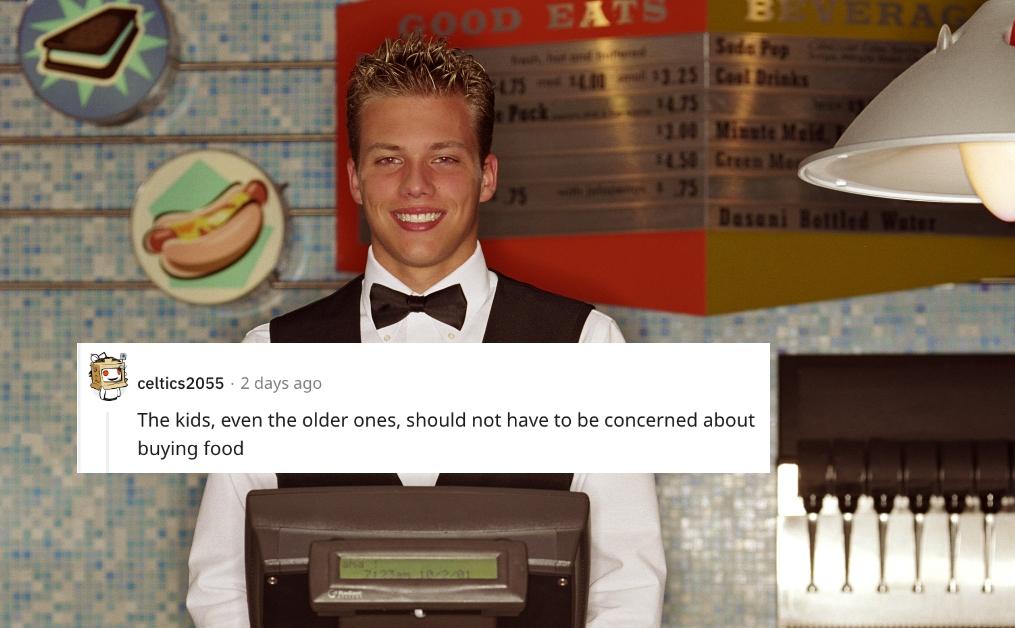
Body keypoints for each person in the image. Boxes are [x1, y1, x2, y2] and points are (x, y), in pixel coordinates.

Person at [185, 34, 666, 627]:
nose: (416, 184)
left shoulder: (588, 347)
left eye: (444, 157)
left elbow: (628, 584)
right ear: (357, 180)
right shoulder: (266, 359)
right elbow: (221, 588)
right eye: (388, 159)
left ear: (486, 176)